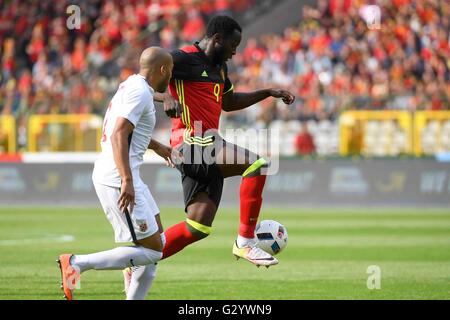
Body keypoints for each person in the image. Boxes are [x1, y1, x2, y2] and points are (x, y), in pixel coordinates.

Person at [152, 16, 295, 268]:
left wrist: (267, 93)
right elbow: (137, 82)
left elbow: (228, 103)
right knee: (257, 165)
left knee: (197, 227)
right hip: (190, 142)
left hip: (207, 145)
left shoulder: (219, 68)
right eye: (232, 45)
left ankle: (135, 261)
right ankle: (245, 241)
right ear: (217, 39)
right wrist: (164, 96)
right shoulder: (183, 58)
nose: (234, 52)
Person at [57, 47, 178, 300]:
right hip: (117, 176)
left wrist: (158, 147)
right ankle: (77, 263)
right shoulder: (138, 92)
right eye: (171, 71)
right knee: (153, 251)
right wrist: (126, 180)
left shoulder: (133, 85)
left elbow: (131, 129)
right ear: (163, 70)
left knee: (158, 239)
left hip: (122, 172)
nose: (172, 76)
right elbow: (118, 134)